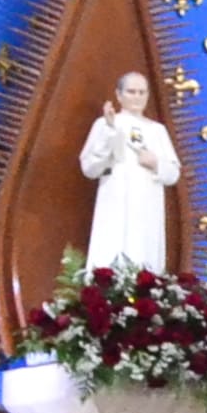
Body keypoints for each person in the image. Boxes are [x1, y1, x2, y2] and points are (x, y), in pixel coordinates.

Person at [77, 73, 180, 277]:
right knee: (112, 252)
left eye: (142, 92)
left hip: (147, 208)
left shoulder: (158, 131)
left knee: (145, 257)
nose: (137, 97)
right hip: (115, 203)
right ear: (119, 95)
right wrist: (110, 132)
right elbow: (90, 168)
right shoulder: (105, 124)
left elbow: (173, 174)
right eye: (131, 92)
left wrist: (156, 163)